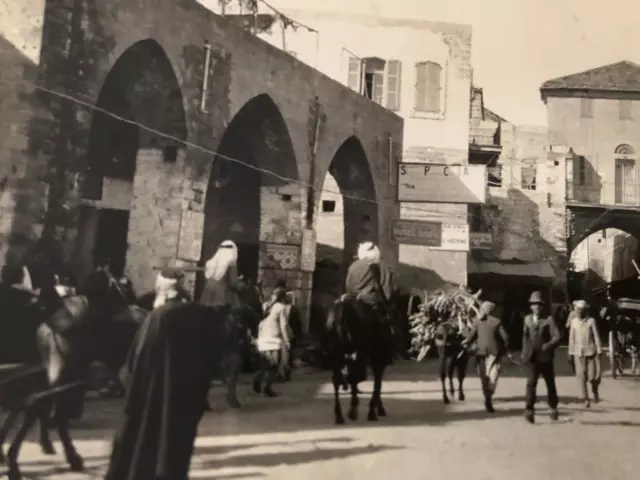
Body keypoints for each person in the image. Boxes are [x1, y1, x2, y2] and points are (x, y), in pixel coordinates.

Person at [105, 268, 217, 480]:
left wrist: (126, 382)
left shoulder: (157, 318)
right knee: (175, 452)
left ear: (162, 291)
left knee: (142, 447)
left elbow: (135, 362)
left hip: (152, 399)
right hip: (184, 401)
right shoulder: (200, 315)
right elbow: (210, 360)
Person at [463, 300, 511, 413]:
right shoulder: (497, 322)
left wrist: (466, 341)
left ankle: (487, 397)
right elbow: (506, 338)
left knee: (483, 377)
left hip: (480, 353)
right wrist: (506, 350)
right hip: (494, 353)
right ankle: (489, 396)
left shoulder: (476, 322)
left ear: (484, 310)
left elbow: (471, 337)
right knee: (493, 376)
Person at [522, 290, 562, 424]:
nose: (537, 307)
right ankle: (529, 410)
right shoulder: (527, 319)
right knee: (531, 384)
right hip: (532, 358)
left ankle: (553, 408)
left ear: (543, 306)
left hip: (546, 357)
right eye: (534, 304)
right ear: (531, 306)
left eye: (539, 304)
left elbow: (557, 337)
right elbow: (525, 338)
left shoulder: (549, 320)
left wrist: (549, 345)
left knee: (550, 383)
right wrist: (524, 353)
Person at [254, 286, 292, 397]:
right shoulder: (281, 307)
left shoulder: (266, 305)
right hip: (273, 339)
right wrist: (287, 340)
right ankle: (267, 388)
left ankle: (258, 380)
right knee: (274, 365)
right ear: (283, 297)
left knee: (266, 363)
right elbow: (283, 325)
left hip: (263, 338)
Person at [568, 299, 603, 407]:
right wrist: (570, 352)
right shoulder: (573, 321)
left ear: (585, 310)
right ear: (575, 310)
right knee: (581, 376)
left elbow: (596, 336)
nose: (580, 312)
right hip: (578, 353)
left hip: (591, 352)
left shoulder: (591, 321)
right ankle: (586, 398)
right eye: (578, 309)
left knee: (592, 377)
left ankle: (595, 391)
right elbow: (571, 338)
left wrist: (599, 349)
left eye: (582, 310)